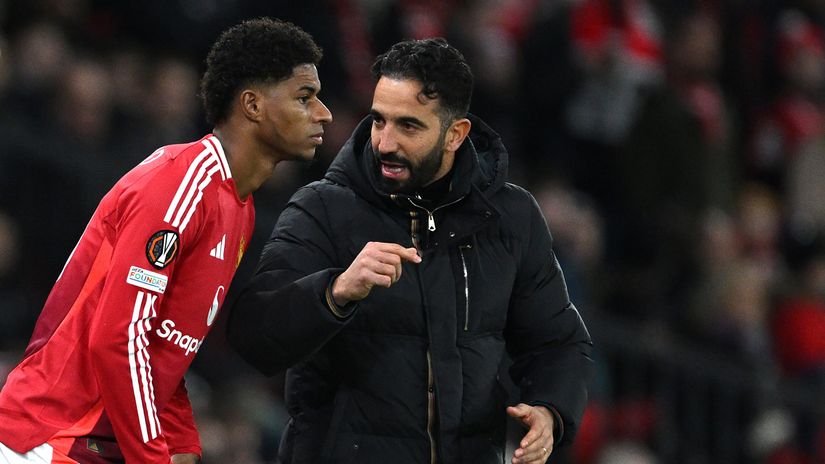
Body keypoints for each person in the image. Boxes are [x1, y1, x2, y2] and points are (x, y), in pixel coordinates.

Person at [228, 37, 593, 464]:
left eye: (408, 126)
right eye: (379, 120)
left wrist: (550, 409)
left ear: (455, 134)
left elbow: (558, 342)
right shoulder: (321, 209)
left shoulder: (510, 217)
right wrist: (335, 291)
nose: (385, 142)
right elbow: (255, 336)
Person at [0, 17, 332, 464]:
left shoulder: (239, 208)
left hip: (98, 446)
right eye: (304, 97)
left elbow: (165, 350)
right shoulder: (180, 184)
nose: (323, 113)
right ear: (253, 105)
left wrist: (183, 444)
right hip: (48, 438)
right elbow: (120, 340)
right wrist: (155, 457)